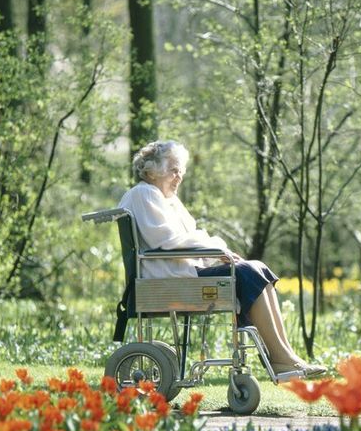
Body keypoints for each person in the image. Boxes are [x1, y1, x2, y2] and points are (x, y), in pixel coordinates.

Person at [118, 140, 326, 378]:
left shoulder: (166, 199)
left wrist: (216, 252)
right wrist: (216, 249)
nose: (179, 177)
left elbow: (183, 237)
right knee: (248, 272)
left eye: (181, 171)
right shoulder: (144, 193)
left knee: (257, 270)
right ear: (153, 170)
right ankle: (281, 359)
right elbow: (167, 239)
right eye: (174, 170)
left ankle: (286, 356)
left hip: (180, 272)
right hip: (168, 278)